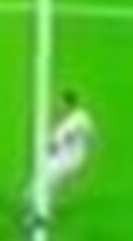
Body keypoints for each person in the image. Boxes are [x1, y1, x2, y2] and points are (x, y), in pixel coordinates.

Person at [31, 89, 95, 225]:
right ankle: (39, 210)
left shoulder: (71, 123)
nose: (59, 105)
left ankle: (40, 215)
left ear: (69, 105)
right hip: (70, 160)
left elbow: (54, 145)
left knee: (43, 183)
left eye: (62, 103)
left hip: (66, 161)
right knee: (45, 184)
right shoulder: (83, 118)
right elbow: (91, 138)